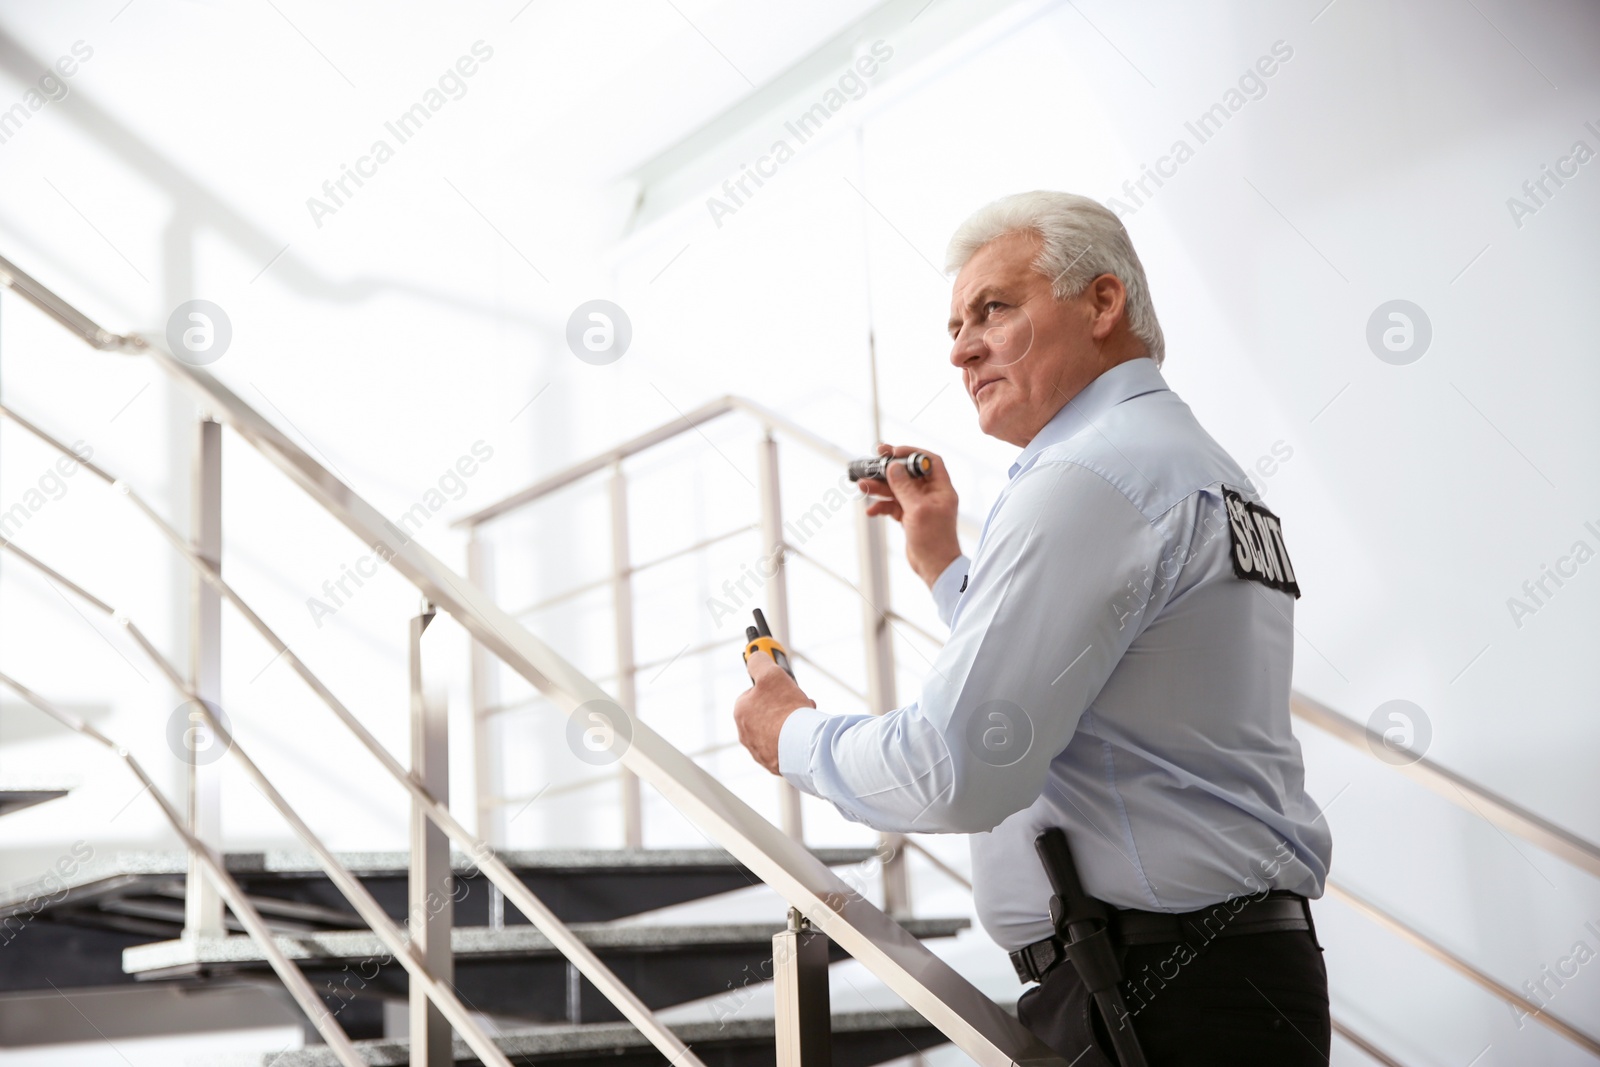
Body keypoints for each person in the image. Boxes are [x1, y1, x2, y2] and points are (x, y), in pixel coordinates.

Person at [732, 190, 1333, 1065]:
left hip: (1156, 1000)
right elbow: (1110, 672)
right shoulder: (1187, 462)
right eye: (953, 327)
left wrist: (789, 733)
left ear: (1101, 302)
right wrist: (941, 561)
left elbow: (954, 767)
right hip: (1218, 979)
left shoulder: (1092, 475)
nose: (962, 347)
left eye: (994, 309)